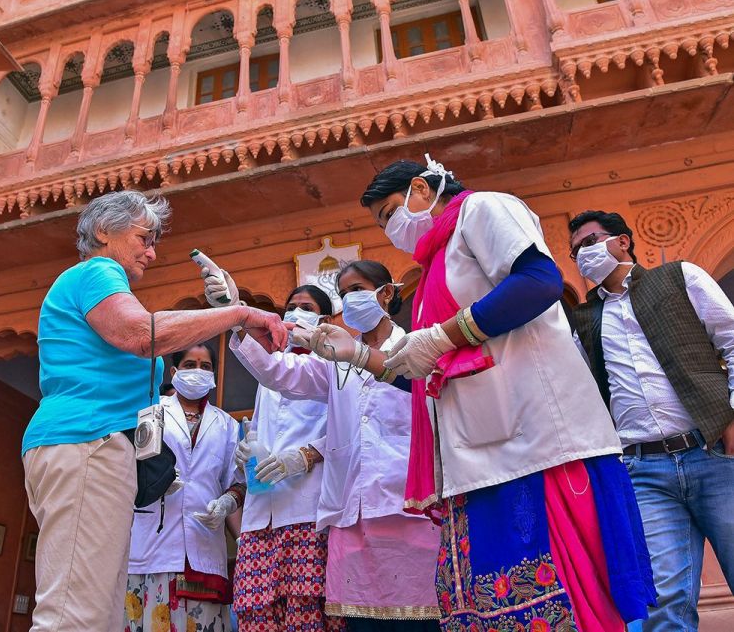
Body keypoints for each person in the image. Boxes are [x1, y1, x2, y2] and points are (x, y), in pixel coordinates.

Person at [304, 156, 656, 631]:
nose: (390, 229)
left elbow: (539, 281)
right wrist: (357, 355)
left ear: (421, 191)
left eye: (389, 213)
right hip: (477, 464)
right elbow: (433, 371)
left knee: (558, 610)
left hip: (537, 451)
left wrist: (445, 334)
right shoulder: (431, 272)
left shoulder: (482, 210)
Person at [22, 191, 286, 632]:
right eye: (144, 238)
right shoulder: (98, 271)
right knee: (74, 614)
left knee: (99, 613)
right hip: (87, 441)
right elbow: (141, 334)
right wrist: (239, 313)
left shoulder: (96, 282)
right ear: (104, 232)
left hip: (97, 446)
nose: (152, 252)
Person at [204, 259, 441, 632]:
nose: (352, 299)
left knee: (420, 617)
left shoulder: (416, 347)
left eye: (358, 289)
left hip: (405, 504)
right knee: (360, 621)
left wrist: (301, 457)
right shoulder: (335, 362)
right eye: (345, 294)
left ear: (387, 293)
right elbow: (278, 372)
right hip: (351, 513)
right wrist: (237, 316)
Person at [569, 210, 734, 631]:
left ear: (623, 241)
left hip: (714, 452)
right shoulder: (585, 319)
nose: (582, 255)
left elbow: (732, 341)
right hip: (643, 472)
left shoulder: (680, 277)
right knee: (663, 603)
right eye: (574, 252)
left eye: (589, 242)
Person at [231, 284, 345, 632]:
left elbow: (350, 431)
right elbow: (265, 426)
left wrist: (307, 455)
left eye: (306, 306)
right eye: (290, 306)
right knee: (255, 611)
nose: (295, 312)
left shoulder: (336, 367)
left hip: (307, 510)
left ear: (323, 319)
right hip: (260, 512)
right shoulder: (269, 373)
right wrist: (246, 451)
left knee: (306, 609)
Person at [126, 344, 241, 632]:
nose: (198, 372)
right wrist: (154, 483)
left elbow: (236, 482)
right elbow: (131, 469)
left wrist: (227, 502)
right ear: (175, 371)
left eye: (205, 366)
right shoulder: (151, 412)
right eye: (190, 364)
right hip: (153, 545)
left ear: (213, 376)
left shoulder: (226, 425)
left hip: (204, 547)